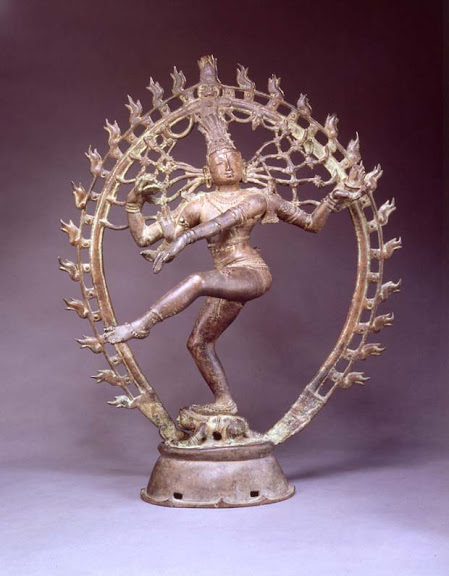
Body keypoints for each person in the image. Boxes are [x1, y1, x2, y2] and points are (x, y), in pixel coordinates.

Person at [103, 105, 353, 416]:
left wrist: (331, 200)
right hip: (226, 282)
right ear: (208, 172)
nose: (227, 165)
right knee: (198, 342)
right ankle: (224, 401)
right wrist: (132, 205)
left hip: (250, 273)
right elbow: (144, 237)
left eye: (233, 160)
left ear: (244, 166)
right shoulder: (197, 204)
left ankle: (141, 326)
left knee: (197, 281)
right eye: (219, 162)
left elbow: (310, 223)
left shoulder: (258, 198)